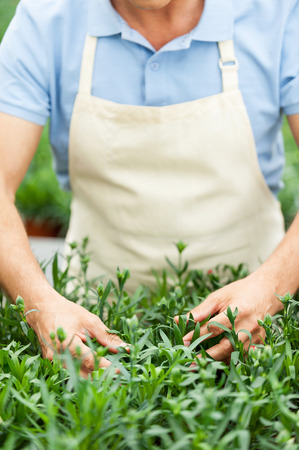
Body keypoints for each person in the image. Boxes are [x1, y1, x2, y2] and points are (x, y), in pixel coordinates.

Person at [0, 0, 299, 375]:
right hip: (94, 315)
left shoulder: (278, 11)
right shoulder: (47, 18)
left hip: (257, 314)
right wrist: (42, 304)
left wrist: (271, 287)